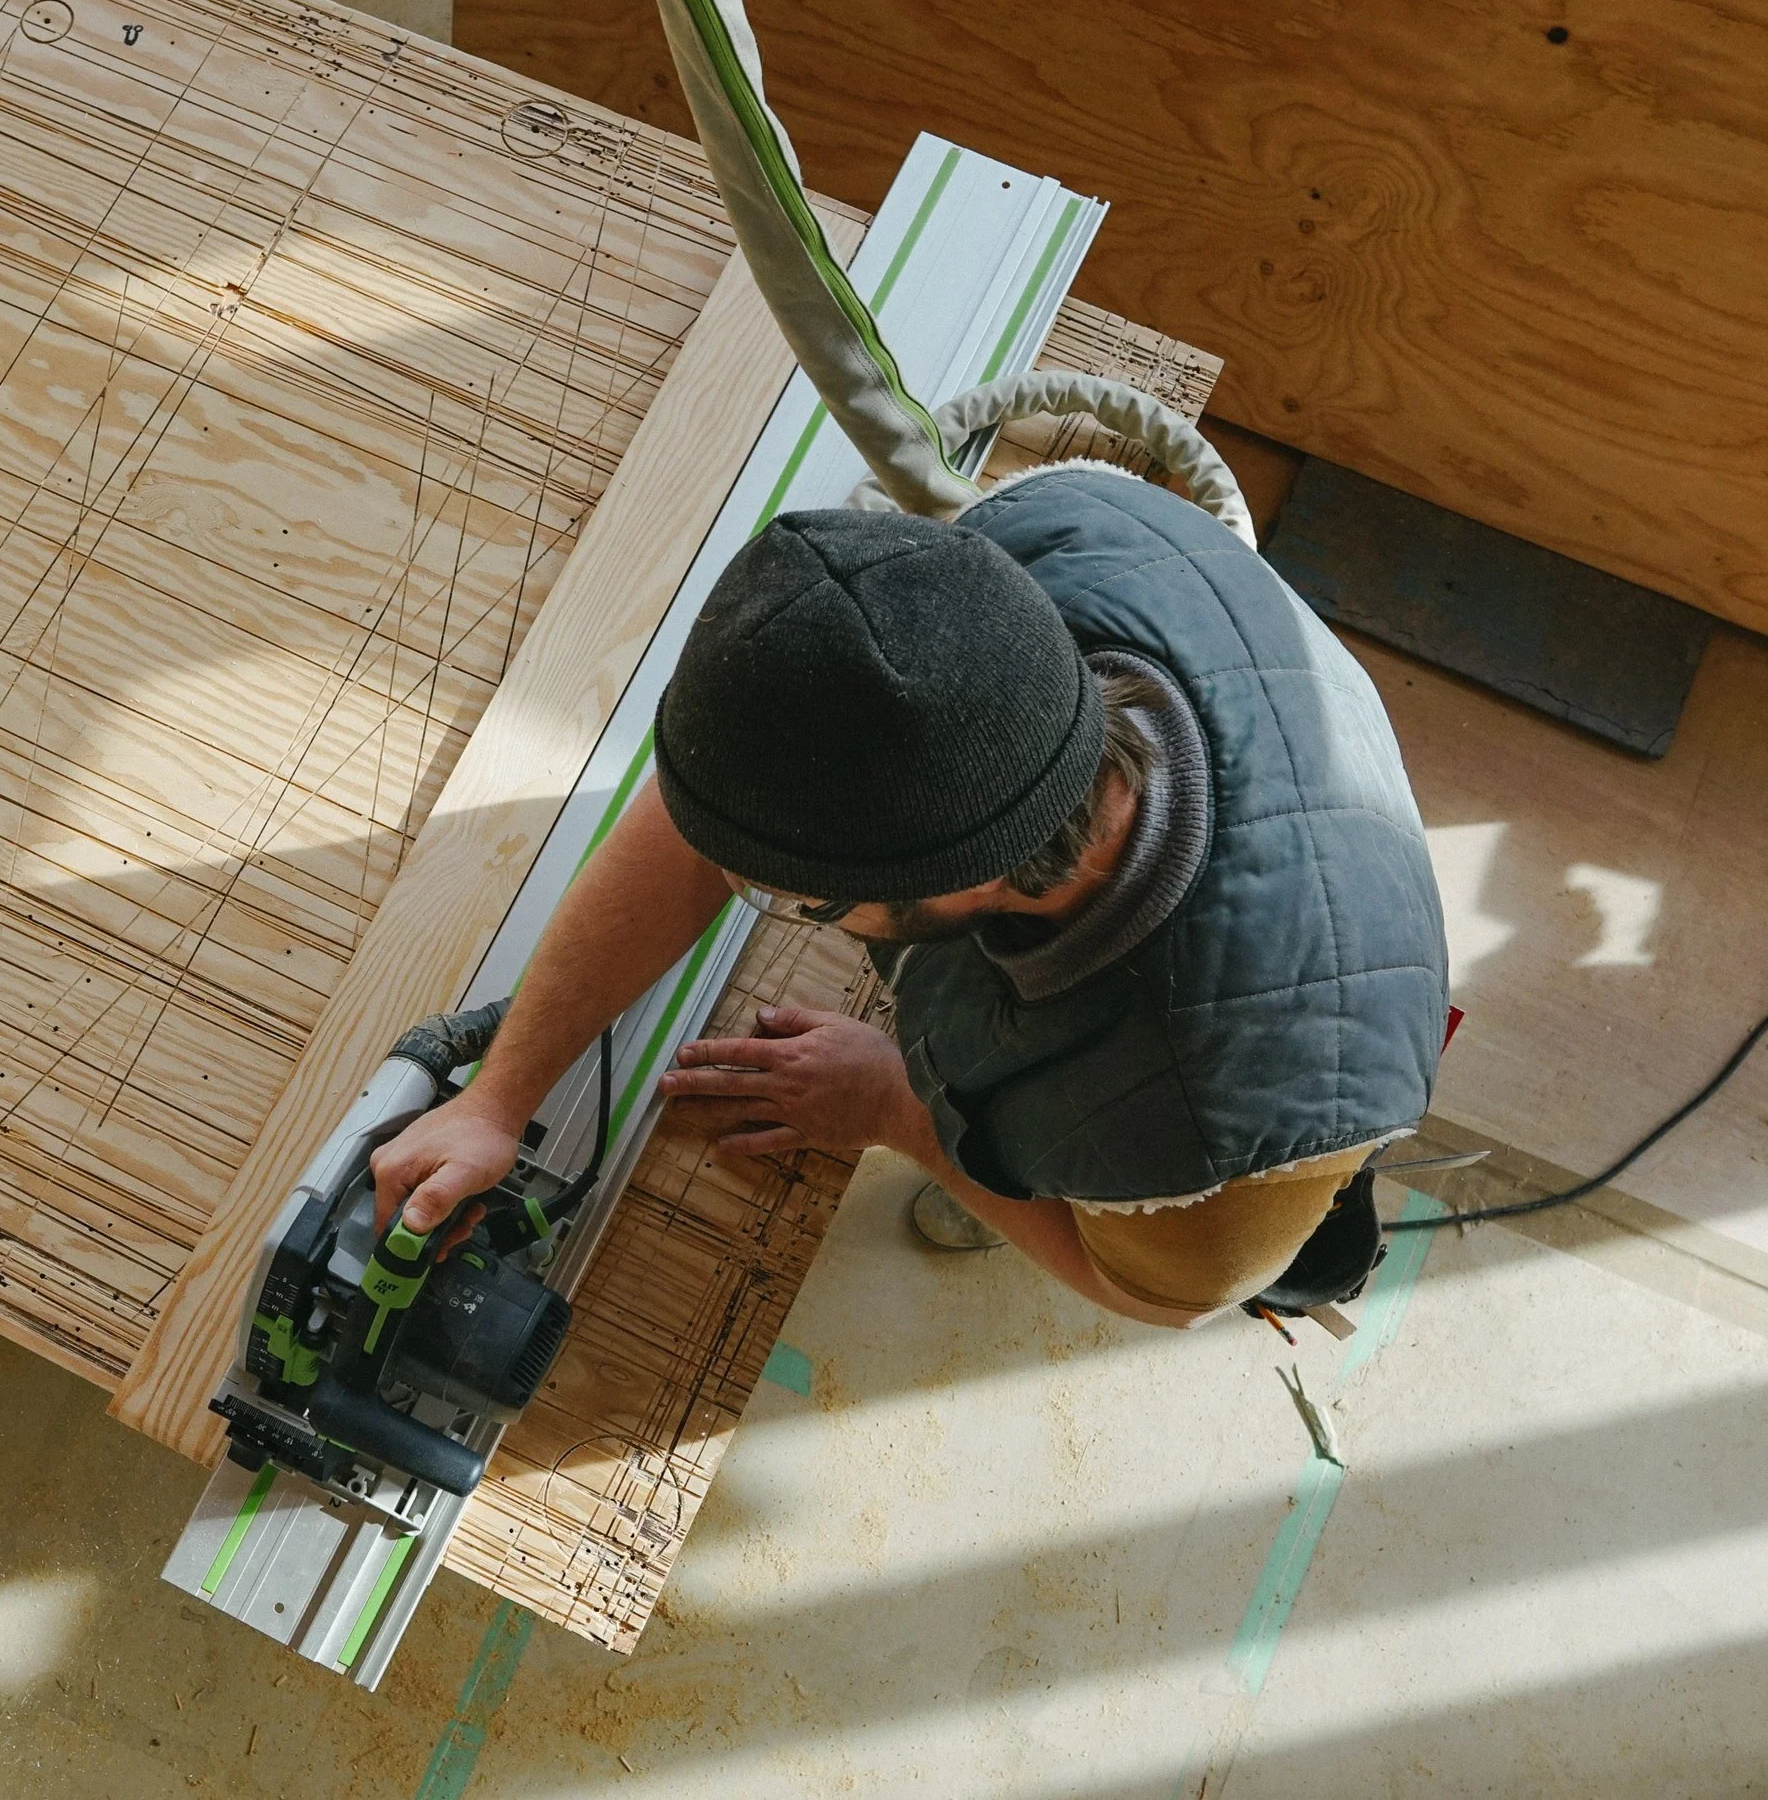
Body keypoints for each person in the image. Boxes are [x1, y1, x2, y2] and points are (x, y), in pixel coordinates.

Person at [372, 463, 1449, 1328]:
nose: (744, 889)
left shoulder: (1212, 1130)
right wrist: (496, 1098)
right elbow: (720, 820)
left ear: (965, 879)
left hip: (1294, 1059)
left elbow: (1154, 1296)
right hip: (1259, 790)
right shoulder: (1041, 543)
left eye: (798, 901)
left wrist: (894, 1105)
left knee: (1285, 1257)